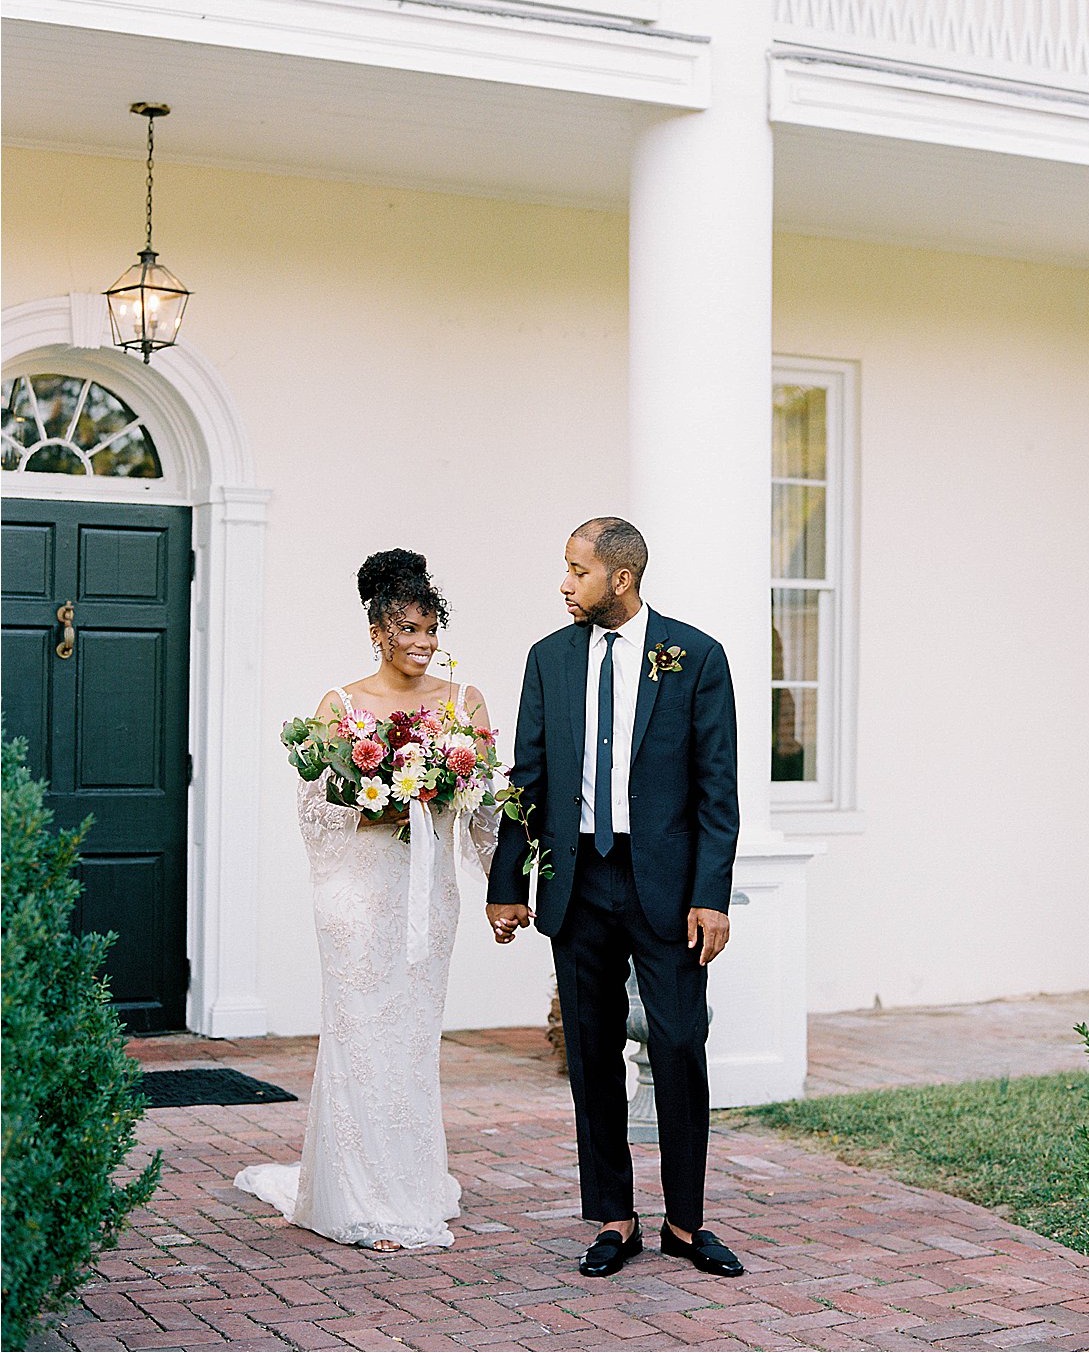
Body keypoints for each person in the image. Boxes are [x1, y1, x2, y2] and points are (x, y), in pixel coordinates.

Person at [486, 517, 744, 1278]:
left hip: (664, 886)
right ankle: (613, 1218)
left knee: (678, 1047)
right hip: (577, 883)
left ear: (620, 577)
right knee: (591, 1055)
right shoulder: (548, 659)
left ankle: (686, 1224)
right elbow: (525, 779)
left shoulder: (694, 656)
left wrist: (711, 895)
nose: (564, 583)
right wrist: (507, 883)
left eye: (576, 570)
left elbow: (716, 789)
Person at [236, 549, 495, 1251]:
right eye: (408, 628)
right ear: (378, 630)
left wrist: (505, 888)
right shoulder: (340, 706)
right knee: (359, 1031)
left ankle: (409, 1181)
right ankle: (362, 1200)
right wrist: (378, 808)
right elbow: (316, 811)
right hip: (354, 892)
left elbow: (482, 806)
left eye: (431, 628)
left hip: (425, 890)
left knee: (410, 1034)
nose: (422, 642)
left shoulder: (461, 700)